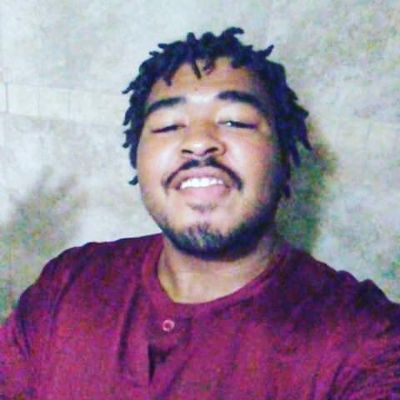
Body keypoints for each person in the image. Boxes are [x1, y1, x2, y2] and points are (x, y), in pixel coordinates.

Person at [0, 27, 399, 399]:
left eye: (236, 121)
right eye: (168, 125)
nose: (199, 142)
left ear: (285, 157)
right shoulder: (68, 284)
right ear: (137, 159)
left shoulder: (363, 341)